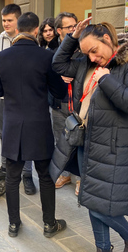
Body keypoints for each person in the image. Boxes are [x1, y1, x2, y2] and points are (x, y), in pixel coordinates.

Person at [52, 19, 128, 252]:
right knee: (91, 199)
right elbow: (57, 64)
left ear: (107, 39)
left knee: (98, 204)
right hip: (86, 141)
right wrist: (73, 38)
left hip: (112, 147)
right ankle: (103, 248)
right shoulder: (86, 64)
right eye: (87, 53)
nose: (92, 58)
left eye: (94, 51)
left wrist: (106, 79)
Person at [0, 12, 67, 238]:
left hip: (14, 124)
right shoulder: (45, 57)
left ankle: (14, 224)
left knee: (12, 177)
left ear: (18, 29)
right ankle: (49, 224)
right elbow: (60, 93)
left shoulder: (3, 57)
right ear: (36, 31)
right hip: (39, 124)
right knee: (45, 176)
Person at [0, 4, 36, 194]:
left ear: (18, 20)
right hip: (0, 100)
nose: (6, 23)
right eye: (3, 20)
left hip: (23, 101)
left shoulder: (29, 41)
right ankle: (8, 172)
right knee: (5, 137)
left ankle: (27, 175)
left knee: (26, 138)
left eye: (10, 20)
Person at [52, 12, 81, 194]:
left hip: (77, 104)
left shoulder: (82, 48)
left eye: (75, 25)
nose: (73, 29)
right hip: (58, 103)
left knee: (79, 140)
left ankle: (80, 178)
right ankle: (66, 173)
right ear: (59, 30)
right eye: (69, 27)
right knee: (61, 140)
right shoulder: (53, 49)